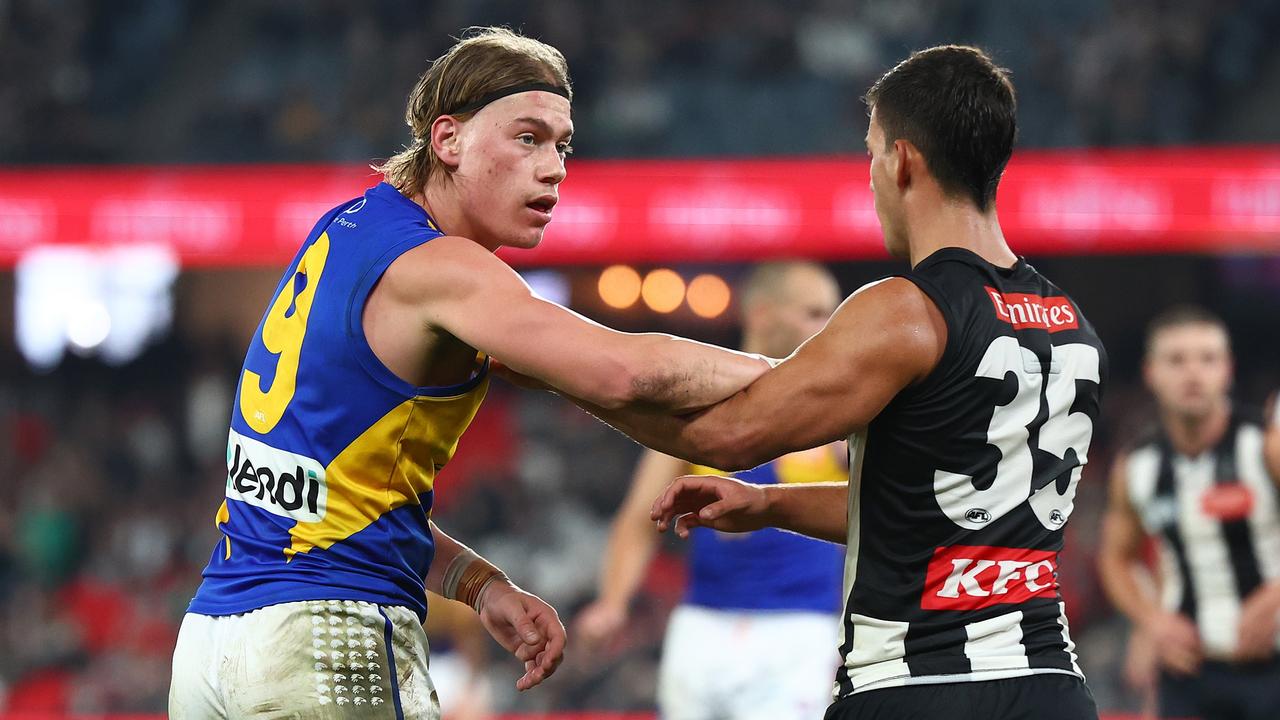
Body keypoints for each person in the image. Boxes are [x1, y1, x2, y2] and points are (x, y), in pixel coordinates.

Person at [168, 27, 770, 720]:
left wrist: (479, 584)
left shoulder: (346, 231)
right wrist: (786, 369)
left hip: (214, 642)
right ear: (448, 141)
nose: (554, 168)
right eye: (527, 138)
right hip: (324, 639)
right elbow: (622, 374)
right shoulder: (441, 267)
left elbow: (335, 505)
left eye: (562, 145)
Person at [539, 45, 1106, 719]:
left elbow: (730, 435)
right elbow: (932, 510)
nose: (869, 178)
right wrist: (773, 507)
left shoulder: (903, 311)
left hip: (920, 685)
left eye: (870, 153)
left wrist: (547, 366)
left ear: (902, 161)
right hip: (1051, 684)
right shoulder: (1074, 327)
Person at [575, 262, 846, 720]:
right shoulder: (699, 413)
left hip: (800, 632)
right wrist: (613, 603)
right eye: (814, 313)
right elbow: (640, 516)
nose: (828, 328)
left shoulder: (839, 413)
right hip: (704, 627)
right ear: (763, 313)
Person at [1097, 307, 1280, 719]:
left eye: (1207, 358)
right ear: (1151, 372)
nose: (1193, 373)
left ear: (1228, 369)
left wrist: (1273, 596)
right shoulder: (1136, 467)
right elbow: (1116, 558)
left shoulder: (1265, 447)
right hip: (1190, 672)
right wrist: (1151, 621)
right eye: (1177, 360)